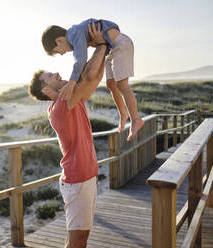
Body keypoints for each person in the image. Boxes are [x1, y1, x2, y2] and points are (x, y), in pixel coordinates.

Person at [29, 24, 106, 248]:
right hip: (78, 180)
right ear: (46, 90)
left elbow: (92, 77)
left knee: (77, 237)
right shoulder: (62, 105)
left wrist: (102, 49)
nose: (57, 73)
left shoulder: (69, 97)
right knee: (78, 241)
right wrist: (101, 45)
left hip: (85, 177)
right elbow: (90, 79)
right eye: (50, 76)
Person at [41, 18, 144, 141]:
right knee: (111, 84)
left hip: (121, 45)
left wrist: (72, 82)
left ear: (59, 40)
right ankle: (123, 113)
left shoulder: (74, 34)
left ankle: (136, 119)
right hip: (112, 48)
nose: (62, 54)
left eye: (58, 51)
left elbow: (81, 60)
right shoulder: (76, 34)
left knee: (122, 85)